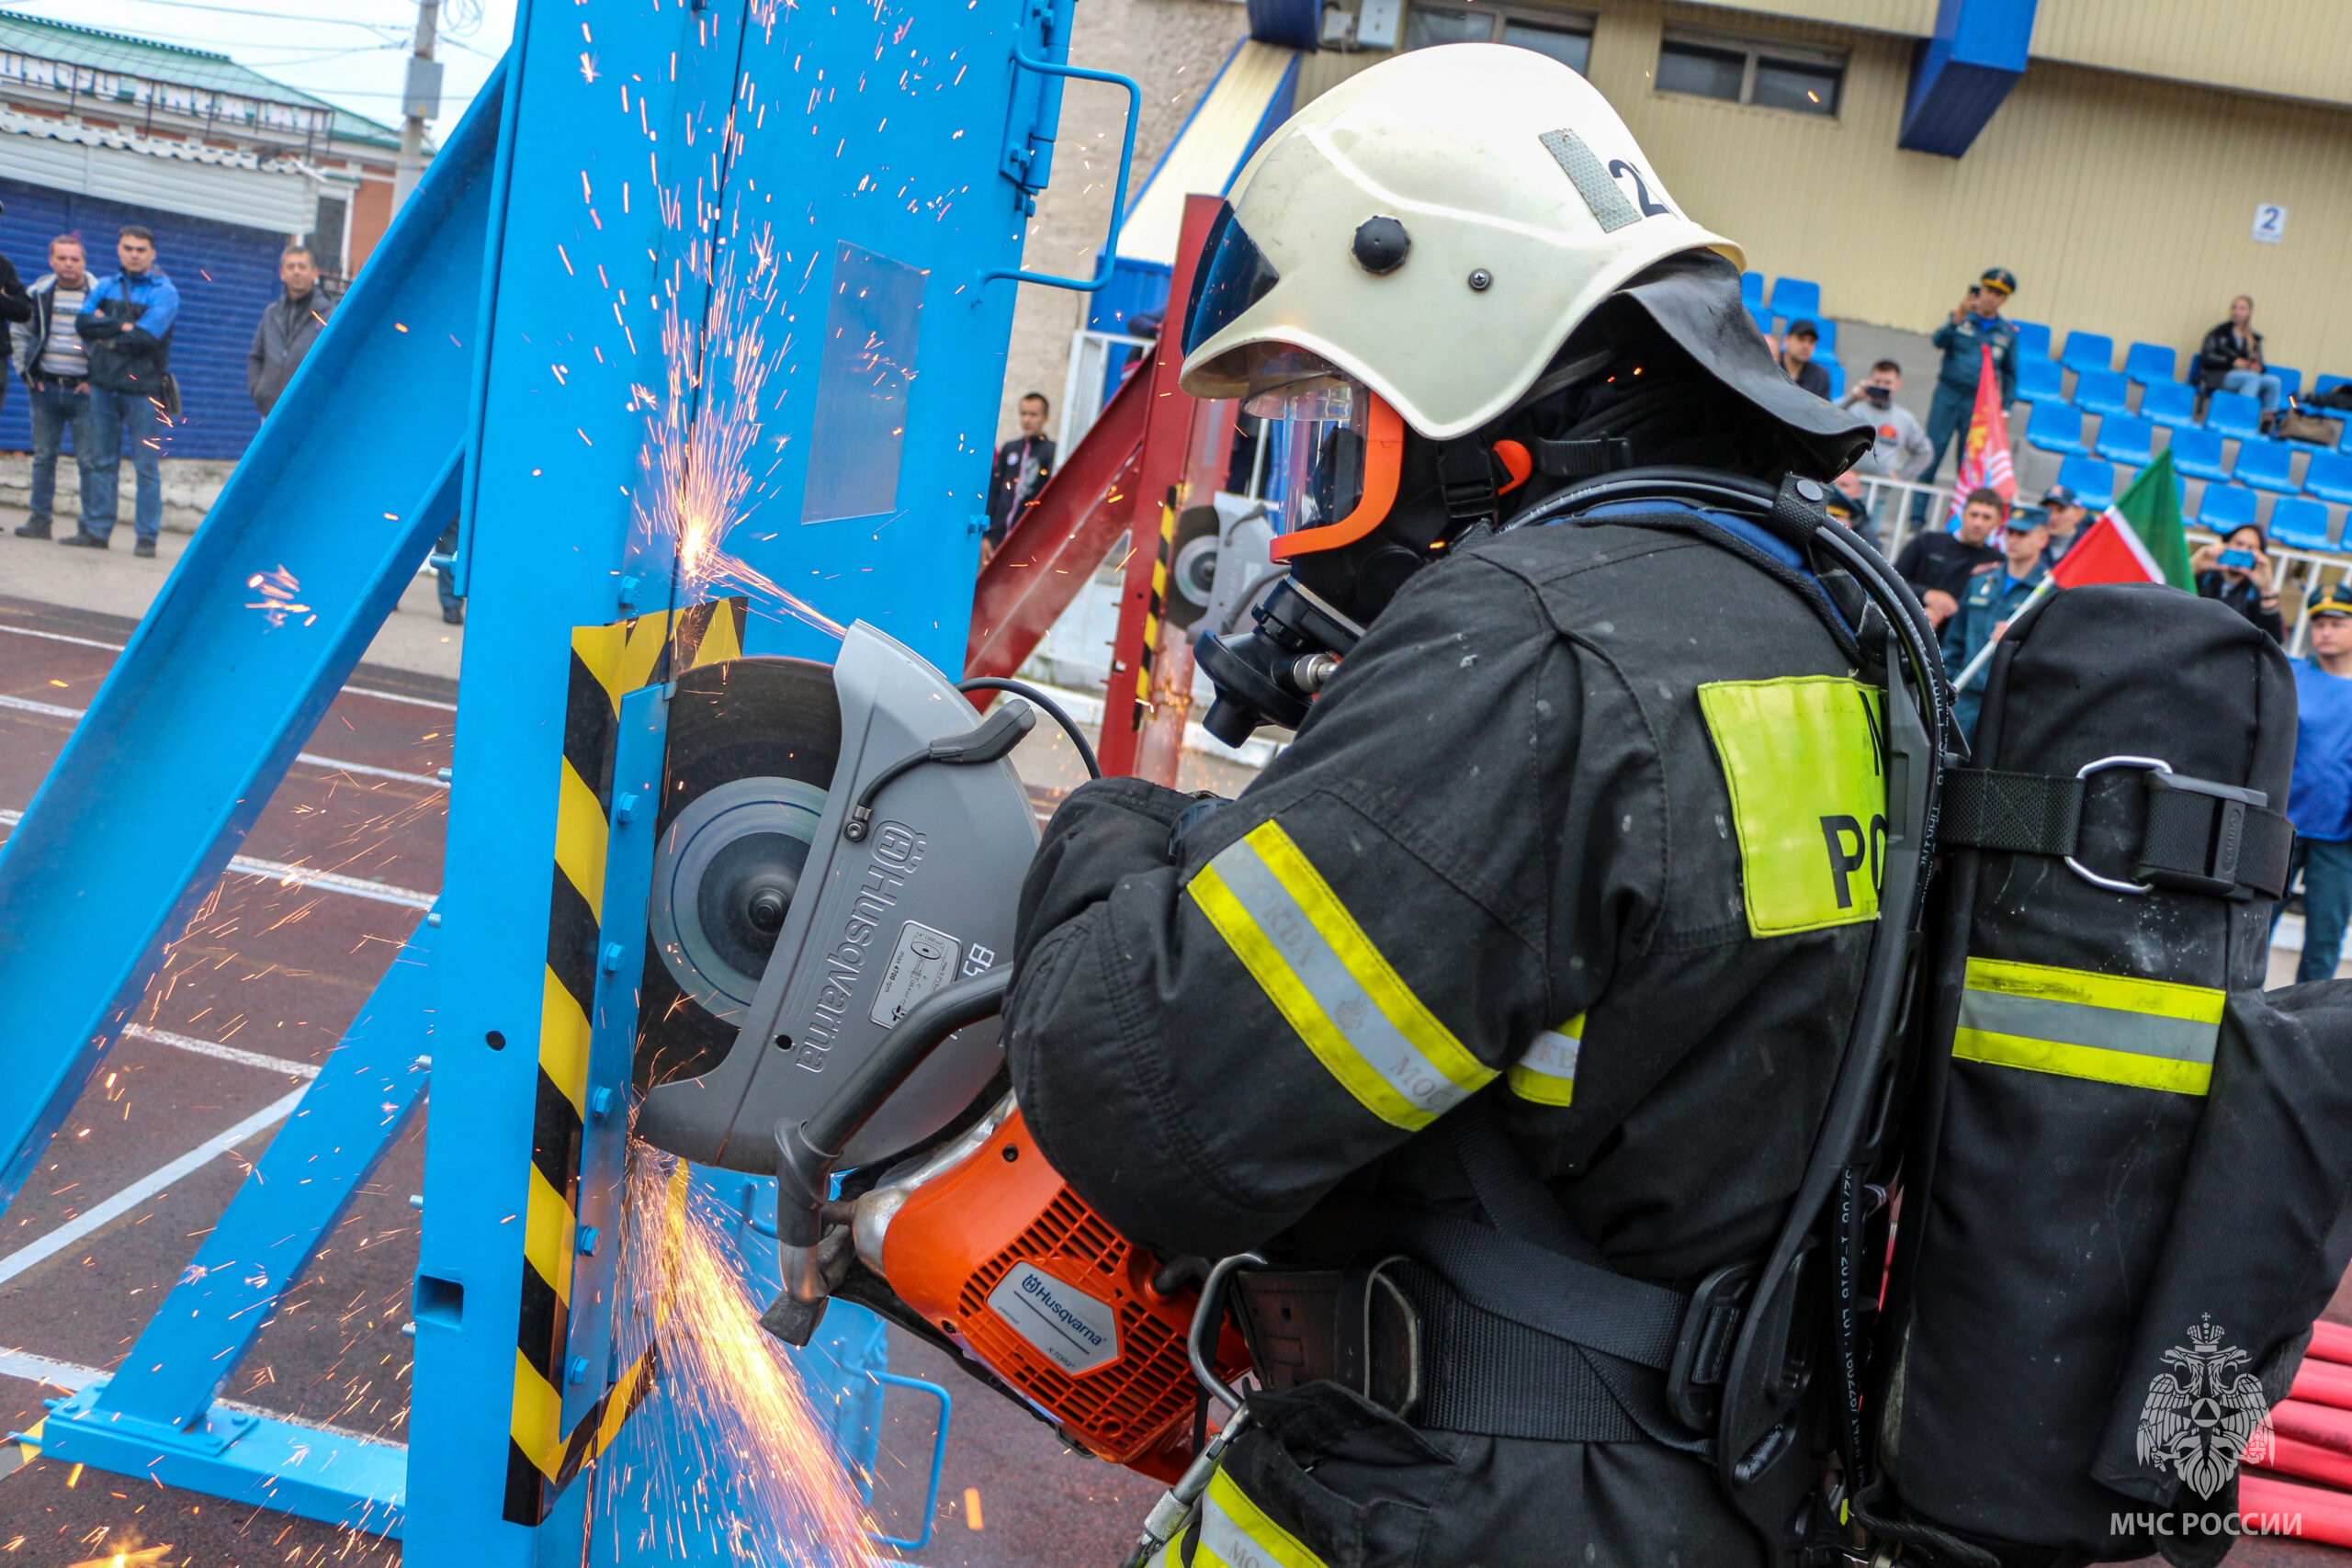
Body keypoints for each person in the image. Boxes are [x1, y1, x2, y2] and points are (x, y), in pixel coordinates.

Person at [1004, 44, 1886, 1568]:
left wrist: (1117, 831)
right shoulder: (1807, 619)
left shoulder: (1535, 646)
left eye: (1353, 413)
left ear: (1473, 377)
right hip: (1697, 1485)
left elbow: (1150, 1104)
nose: (1340, 470)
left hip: (1459, 1498)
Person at [70, 225, 178, 558]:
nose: (134, 254)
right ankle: (98, 531)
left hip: (144, 390)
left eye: (141, 249)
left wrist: (108, 332)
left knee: (146, 466)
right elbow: (82, 324)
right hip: (103, 386)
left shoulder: (165, 292)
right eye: (128, 248)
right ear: (119, 250)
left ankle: (146, 538)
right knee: (102, 461)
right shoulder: (105, 285)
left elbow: (147, 338)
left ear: (152, 253)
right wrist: (124, 326)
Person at [2279, 582, 2352, 983]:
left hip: (2340, 836)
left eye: (2337, 623)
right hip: (2282, 825)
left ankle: (2306, 1026)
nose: (2325, 631)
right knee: (2255, 924)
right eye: (2319, 623)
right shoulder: (2291, 673)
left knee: (2325, 939)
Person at [9, 235, 98, 543]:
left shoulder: (100, 295)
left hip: (85, 393)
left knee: (89, 461)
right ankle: (39, 521)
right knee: (44, 457)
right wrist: (25, 371)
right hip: (45, 389)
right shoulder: (38, 294)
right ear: (51, 261)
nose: (69, 264)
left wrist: (95, 379)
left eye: (75, 259)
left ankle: (90, 527)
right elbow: (20, 332)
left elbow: (111, 343)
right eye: (62, 258)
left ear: (84, 262)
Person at [1914, 268, 2018, 522]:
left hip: (1979, 406)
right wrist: (1957, 317)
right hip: (1948, 395)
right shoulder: (1961, 318)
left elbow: (2010, 374)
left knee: (1970, 462)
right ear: (1979, 290)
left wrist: (2005, 410)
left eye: (1999, 294)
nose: (1992, 297)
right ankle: (1916, 517)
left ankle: (1961, 519)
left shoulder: (2007, 333)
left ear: (2004, 299)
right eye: (1989, 290)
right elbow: (1939, 342)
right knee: (1932, 452)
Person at [1940, 506, 2050, 740]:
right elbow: (1954, 643)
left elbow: (2051, 656)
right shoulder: (1980, 581)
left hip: (2008, 706)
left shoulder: (2049, 593)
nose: (2013, 540)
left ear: (2042, 539)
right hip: (1964, 699)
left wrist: (2018, 641)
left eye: (2023, 534)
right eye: (2010, 532)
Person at [1893, 487, 2005, 628]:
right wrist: (1926, 595)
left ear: (1998, 522)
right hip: (1910, 624)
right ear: (1962, 514)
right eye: (1974, 515)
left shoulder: (1997, 561)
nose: (1978, 523)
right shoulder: (1927, 541)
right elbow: (1892, 581)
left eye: (1986, 517)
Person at [247, 244, 333, 417]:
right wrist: (260, 391)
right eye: (291, 266)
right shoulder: (271, 314)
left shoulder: (328, 317)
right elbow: (256, 357)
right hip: (270, 414)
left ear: (314, 273)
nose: (296, 272)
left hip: (308, 416)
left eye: (302, 266)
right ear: (281, 273)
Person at [983, 390, 1054, 555]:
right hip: (996, 538)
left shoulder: (1050, 452)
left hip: (1027, 541)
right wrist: (986, 534)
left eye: (1033, 414)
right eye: (1023, 414)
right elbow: (994, 491)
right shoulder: (1010, 448)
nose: (1027, 420)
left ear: (1045, 417)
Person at [2197, 295, 2283, 430]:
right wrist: (2232, 362)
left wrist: (2256, 367)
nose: (2237, 311)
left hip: (2245, 375)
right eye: (2234, 308)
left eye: (2242, 309)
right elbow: (2206, 356)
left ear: (2249, 312)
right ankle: (2239, 419)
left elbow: (2261, 365)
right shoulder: (2219, 333)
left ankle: (2267, 420)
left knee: (2274, 381)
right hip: (2220, 375)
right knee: (2252, 378)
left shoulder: (2253, 338)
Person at [1838, 359, 1932, 481]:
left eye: (1887, 383)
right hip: (1844, 487)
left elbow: (1925, 452)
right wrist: (1852, 397)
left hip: (1879, 493)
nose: (1881, 386)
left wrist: (1900, 476)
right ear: (1869, 381)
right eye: (1877, 381)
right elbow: (1825, 417)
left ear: (1898, 384)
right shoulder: (1854, 407)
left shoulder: (1904, 418)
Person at [2190, 522, 2284, 642]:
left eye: (2251, 548)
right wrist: (2193, 565)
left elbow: (2274, 641)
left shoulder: (2257, 593)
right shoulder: (2202, 576)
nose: (2243, 551)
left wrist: (2267, 589)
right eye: (2239, 544)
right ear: (2225, 544)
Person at [2036, 482, 2089, 564]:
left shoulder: (2089, 544)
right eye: (2047, 510)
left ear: (2079, 514)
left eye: (2061, 510)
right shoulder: (2029, 537)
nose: (2052, 517)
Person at [1777, 318, 1830, 397]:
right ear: (1787, 340)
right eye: (1801, 339)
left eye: (1811, 342)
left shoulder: (1820, 376)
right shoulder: (1772, 364)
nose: (1806, 346)